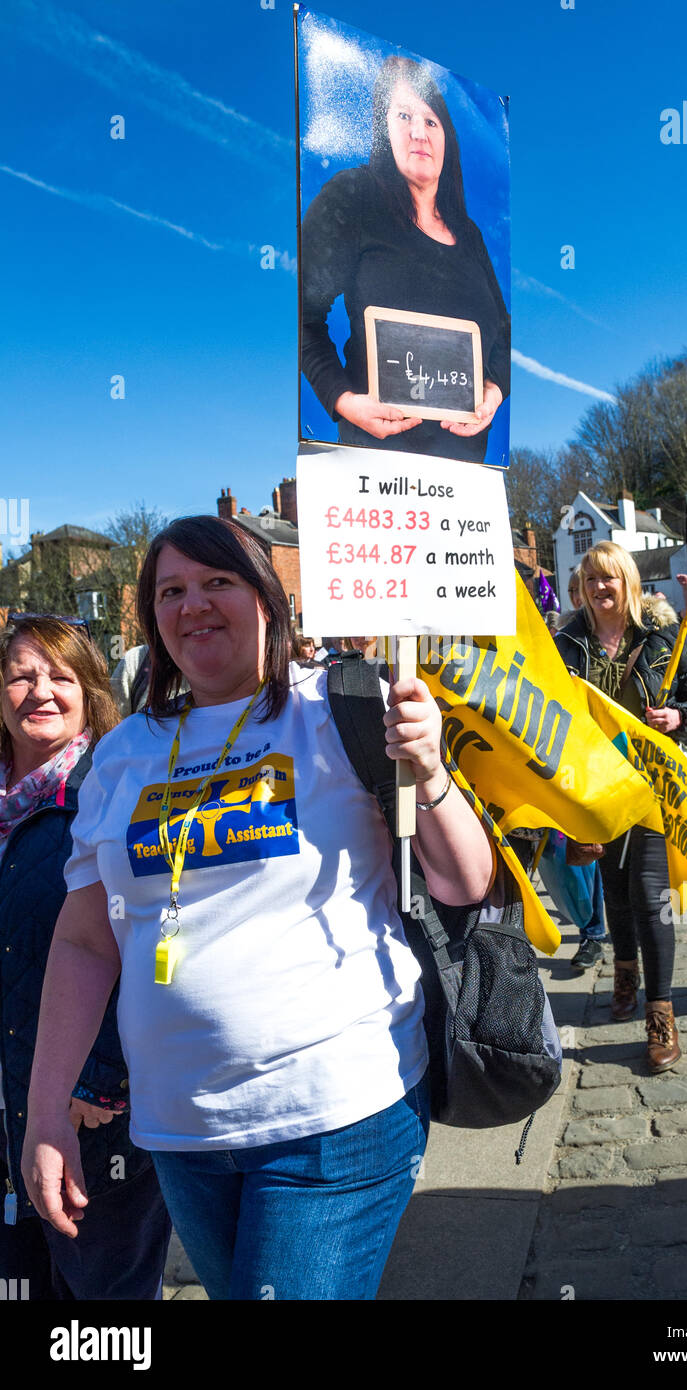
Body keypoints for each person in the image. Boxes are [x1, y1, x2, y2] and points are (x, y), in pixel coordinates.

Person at [21, 516, 494, 1301]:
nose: (193, 605)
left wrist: (430, 770)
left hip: (334, 1114)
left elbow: (463, 882)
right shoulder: (123, 752)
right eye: (171, 591)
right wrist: (44, 1118)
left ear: (268, 602)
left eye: (218, 583)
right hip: (180, 1133)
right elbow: (83, 944)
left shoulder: (344, 705)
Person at [0, 613, 171, 1299]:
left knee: (105, 1296)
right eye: (19, 676)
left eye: (60, 676)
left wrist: (100, 1075)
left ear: (90, 690)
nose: (39, 691)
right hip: (7, 1100)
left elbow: (147, 939)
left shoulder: (120, 791)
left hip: (95, 1107)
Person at [555, 542, 687, 1071]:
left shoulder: (663, 638)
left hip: (649, 787)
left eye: (610, 578)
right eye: (591, 579)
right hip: (595, 790)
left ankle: (660, 1013)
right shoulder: (565, 645)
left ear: (628, 582)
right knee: (617, 894)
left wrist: (679, 720)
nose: (601, 588)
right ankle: (625, 976)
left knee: (649, 895)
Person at [301, 55, 510, 462]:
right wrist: (344, 401)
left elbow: (503, 333)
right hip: (374, 474)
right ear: (383, 129)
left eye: (431, 121)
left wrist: (494, 390)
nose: (419, 132)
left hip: (465, 487)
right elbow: (301, 316)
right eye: (403, 116)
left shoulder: (470, 236)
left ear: (447, 136)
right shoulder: (353, 197)